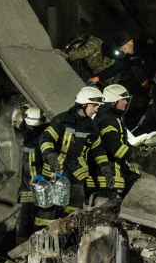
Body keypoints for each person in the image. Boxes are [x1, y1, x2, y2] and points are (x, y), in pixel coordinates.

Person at [39, 86, 106, 215]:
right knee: (52, 208)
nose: (96, 110)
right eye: (94, 106)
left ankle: (69, 230)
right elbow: (46, 139)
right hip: (57, 170)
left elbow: (98, 150)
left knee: (75, 206)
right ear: (83, 104)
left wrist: (105, 169)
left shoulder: (91, 127)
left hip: (77, 172)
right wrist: (51, 156)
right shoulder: (62, 120)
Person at [92, 84, 142, 201]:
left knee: (134, 178)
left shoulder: (111, 117)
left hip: (112, 169)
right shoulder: (106, 119)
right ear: (113, 102)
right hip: (105, 173)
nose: (126, 103)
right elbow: (114, 147)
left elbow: (120, 141)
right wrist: (133, 155)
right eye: (123, 99)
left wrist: (134, 150)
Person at [13, 104, 53, 241]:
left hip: (38, 194)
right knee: (24, 227)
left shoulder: (39, 141)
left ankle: (24, 254)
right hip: (31, 192)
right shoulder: (35, 138)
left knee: (32, 228)